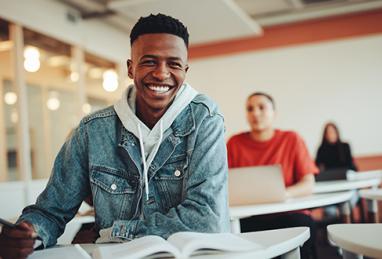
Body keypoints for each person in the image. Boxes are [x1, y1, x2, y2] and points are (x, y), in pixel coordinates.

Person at [0, 13, 229, 259]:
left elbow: (206, 220)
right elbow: (50, 211)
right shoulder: (92, 130)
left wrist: (115, 232)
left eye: (173, 64)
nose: (162, 74)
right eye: (149, 62)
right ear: (130, 68)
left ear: (185, 70)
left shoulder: (205, 118)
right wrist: (29, 233)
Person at [227, 92, 319, 259]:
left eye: (262, 107)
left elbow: (308, 183)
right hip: (249, 217)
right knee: (229, 234)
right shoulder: (234, 143)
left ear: (274, 113)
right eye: (250, 109)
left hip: (290, 214)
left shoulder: (292, 139)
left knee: (303, 225)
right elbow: (223, 184)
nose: (255, 113)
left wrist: (283, 194)